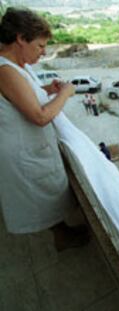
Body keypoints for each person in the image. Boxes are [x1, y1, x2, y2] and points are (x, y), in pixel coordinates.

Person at [0, 7, 89, 251]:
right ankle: (62, 237)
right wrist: (65, 93)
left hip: (31, 148)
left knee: (47, 196)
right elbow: (40, 116)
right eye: (40, 46)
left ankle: (63, 233)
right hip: (23, 153)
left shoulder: (17, 65)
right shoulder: (5, 70)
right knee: (41, 200)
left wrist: (48, 89)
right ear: (20, 39)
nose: (44, 52)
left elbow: (25, 96)